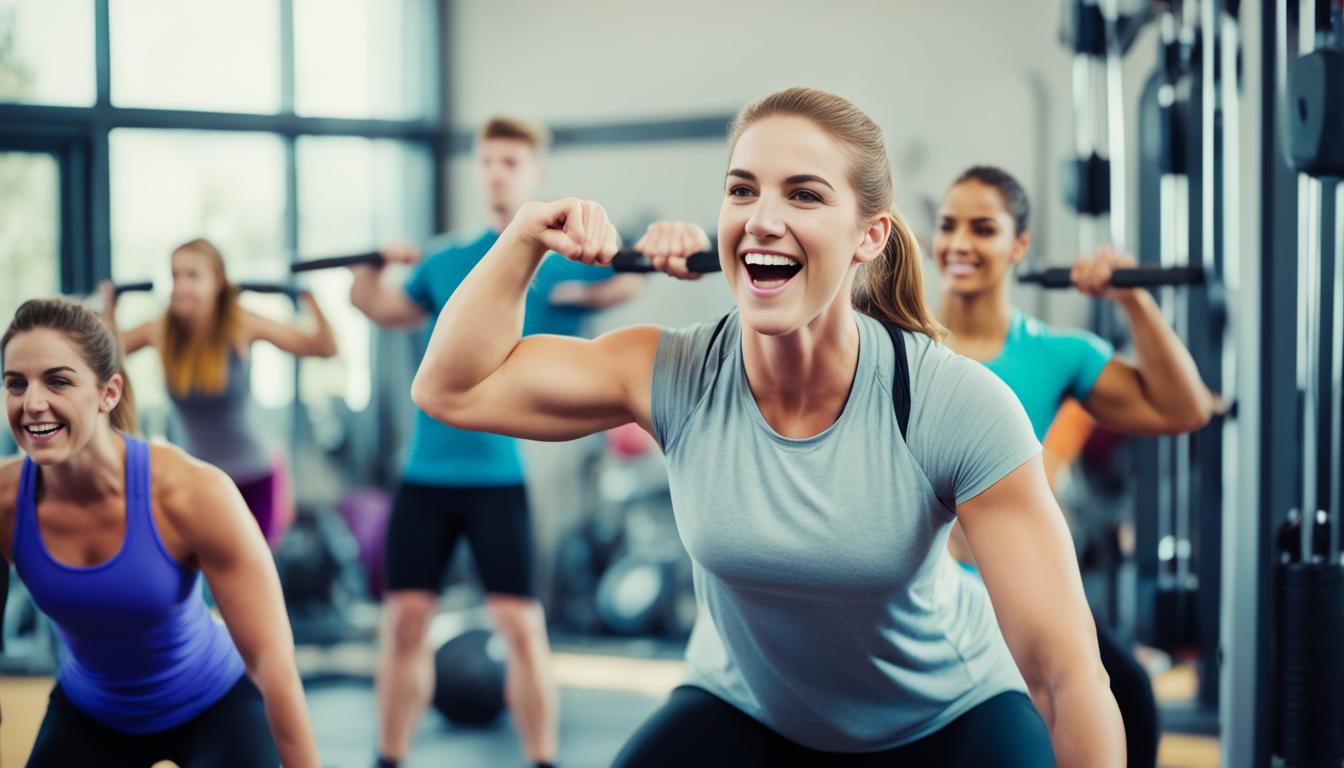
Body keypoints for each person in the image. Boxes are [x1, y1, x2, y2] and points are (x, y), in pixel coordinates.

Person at [410, 87, 1124, 767]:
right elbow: (453, 387)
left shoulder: (951, 403)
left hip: (944, 713)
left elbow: (1067, 679)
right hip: (748, 708)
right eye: (742, 190)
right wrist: (524, 237)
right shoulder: (674, 373)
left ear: (869, 236)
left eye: (804, 194)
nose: (761, 218)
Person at [348, 115, 642, 768]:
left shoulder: (551, 260)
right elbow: (381, 307)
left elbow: (626, 279)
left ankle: (542, 760)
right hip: (425, 473)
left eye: (510, 162)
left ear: (534, 174)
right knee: (403, 625)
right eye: (487, 161)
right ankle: (387, 758)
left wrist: (600, 265)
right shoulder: (446, 258)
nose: (496, 172)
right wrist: (368, 270)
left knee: (520, 626)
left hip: (496, 476)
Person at [933, 165, 1216, 768]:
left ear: (1019, 246)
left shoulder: (1055, 353)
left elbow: (1184, 407)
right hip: (926, 595)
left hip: (1016, 597)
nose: (959, 243)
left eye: (983, 229)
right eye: (948, 226)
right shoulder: (894, 342)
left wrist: (1131, 299)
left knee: (1131, 694)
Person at [0, 297, 319, 766]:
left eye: (58, 381)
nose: (32, 403)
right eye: (15, 383)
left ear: (109, 394)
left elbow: (273, 665)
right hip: (91, 714)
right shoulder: (6, 502)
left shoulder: (192, 494)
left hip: (214, 705)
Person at [101, 238, 338, 545]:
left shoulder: (240, 325)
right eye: (176, 275)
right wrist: (110, 306)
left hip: (253, 477)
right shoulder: (161, 330)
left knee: (249, 585)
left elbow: (324, 346)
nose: (181, 286)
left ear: (217, 282)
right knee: (196, 576)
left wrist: (308, 297)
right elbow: (101, 356)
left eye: (193, 276)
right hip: (195, 478)